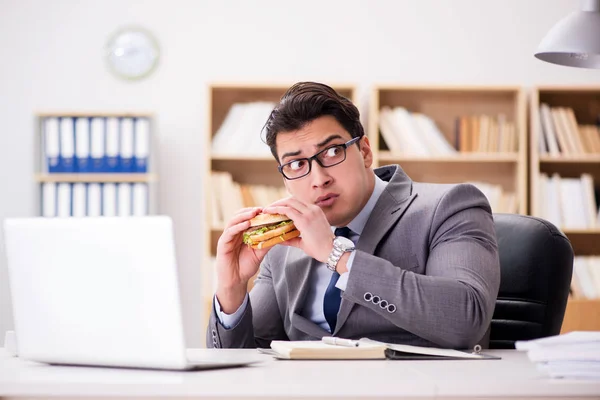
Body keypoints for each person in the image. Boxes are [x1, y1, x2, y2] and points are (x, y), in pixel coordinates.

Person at [207, 82, 500, 350]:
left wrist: (337, 255)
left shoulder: (450, 206)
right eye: (296, 164)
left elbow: (465, 320)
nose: (318, 179)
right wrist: (231, 290)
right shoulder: (283, 245)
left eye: (333, 151)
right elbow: (249, 357)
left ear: (365, 152)